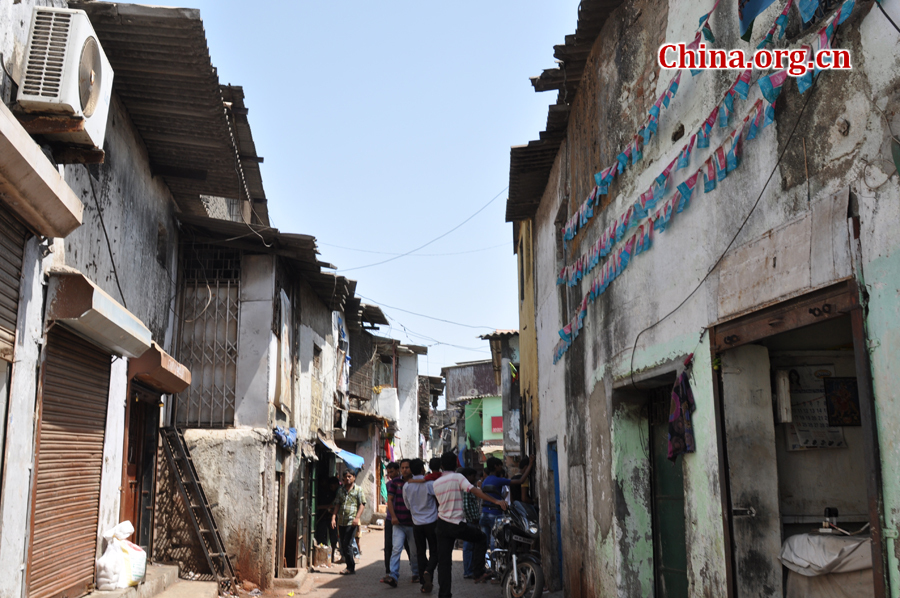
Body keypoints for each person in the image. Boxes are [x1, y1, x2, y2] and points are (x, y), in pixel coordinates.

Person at [433, 452, 507, 597]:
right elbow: (475, 491)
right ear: (456, 464)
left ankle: (444, 595)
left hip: (441, 524)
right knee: (481, 538)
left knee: (444, 564)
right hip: (456, 523)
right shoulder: (458, 477)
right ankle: (478, 572)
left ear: (442, 466)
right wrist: (496, 501)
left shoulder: (436, 483)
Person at [480, 456, 533, 579]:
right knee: (495, 544)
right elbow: (520, 481)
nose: (501, 467)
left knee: (485, 543)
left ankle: (484, 570)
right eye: (499, 465)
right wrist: (530, 466)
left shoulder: (485, 480)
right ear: (495, 467)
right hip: (495, 513)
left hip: (484, 513)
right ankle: (495, 572)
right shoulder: (498, 480)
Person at [403, 458, 439, 594]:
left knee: (420, 552)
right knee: (435, 551)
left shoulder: (407, 486)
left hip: (417, 523)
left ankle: (424, 584)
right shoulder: (430, 484)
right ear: (423, 469)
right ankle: (428, 571)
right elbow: (438, 499)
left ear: (411, 470)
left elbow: (407, 506)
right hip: (431, 522)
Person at [383, 459, 419, 587]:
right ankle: (393, 575)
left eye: (407, 467)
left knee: (414, 551)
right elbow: (390, 501)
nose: (405, 470)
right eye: (402, 467)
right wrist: (393, 517)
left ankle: (416, 573)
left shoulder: (416, 481)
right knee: (396, 549)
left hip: (412, 524)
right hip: (398, 523)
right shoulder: (394, 483)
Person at [331, 469, 365, 575]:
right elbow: (337, 504)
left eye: (350, 476)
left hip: (352, 521)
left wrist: (357, 518)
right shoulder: (341, 490)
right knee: (343, 544)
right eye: (346, 476)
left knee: (347, 544)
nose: (347, 478)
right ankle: (349, 565)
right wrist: (333, 518)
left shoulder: (358, 490)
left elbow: (362, 504)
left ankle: (351, 567)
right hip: (341, 521)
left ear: (354, 477)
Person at [459, 468, 481, 579]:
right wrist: (471, 519)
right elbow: (466, 506)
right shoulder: (467, 488)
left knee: (471, 546)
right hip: (470, 521)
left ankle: (470, 569)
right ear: (468, 476)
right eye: (473, 476)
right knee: (468, 547)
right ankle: (468, 571)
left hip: (471, 520)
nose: (475, 478)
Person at [315, 476, 340, 563]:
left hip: (331, 518)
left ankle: (332, 556)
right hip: (323, 517)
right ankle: (324, 556)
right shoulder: (322, 492)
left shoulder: (337, 493)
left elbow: (334, 505)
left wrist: (322, 507)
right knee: (321, 536)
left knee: (333, 537)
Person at [383, 461, 400, 575]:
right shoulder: (388, 484)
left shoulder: (404, 483)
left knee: (408, 546)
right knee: (388, 545)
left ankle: (416, 570)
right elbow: (389, 501)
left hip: (402, 518)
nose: (390, 475)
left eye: (392, 472)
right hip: (390, 518)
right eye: (388, 472)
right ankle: (388, 569)